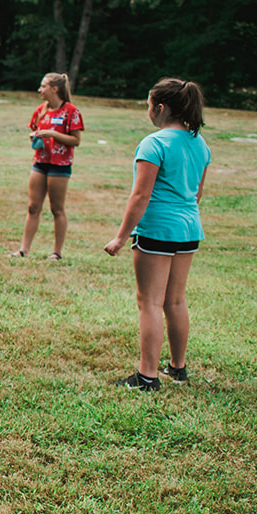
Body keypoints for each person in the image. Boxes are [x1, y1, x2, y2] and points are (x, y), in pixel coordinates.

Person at [104, 78, 212, 391]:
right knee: (175, 300)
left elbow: (140, 196)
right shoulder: (199, 144)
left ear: (160, 107)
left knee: (149, 302)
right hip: (189, 229)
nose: (148, 110)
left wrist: (121, 238)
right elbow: (197, 194)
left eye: (148, 104)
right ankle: (177, 368)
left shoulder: (154, 143)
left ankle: (147, 376)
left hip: (158, 230)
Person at [12, 72, 84, 260]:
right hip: (40, 162)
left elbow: (76, 141)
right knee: (33, 207)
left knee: (56, 209)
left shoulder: (71, 111)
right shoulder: (41, 110)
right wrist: (36, 136)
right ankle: (23, 250)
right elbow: (35, 130)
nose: (40, 90)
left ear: (55, 88)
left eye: (43, 86)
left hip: (60, 165)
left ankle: (57, 253)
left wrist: (52, 134)